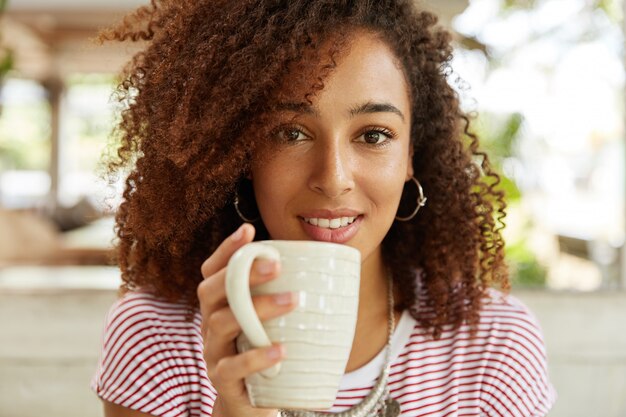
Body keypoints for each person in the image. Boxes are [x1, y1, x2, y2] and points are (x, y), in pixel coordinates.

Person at [92, 0, 556, 416]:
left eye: (374, 135)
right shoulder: (156, 336)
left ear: (412, 154)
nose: (333, 178)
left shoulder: (493, 344)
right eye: (291, 133)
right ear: (242, 153)